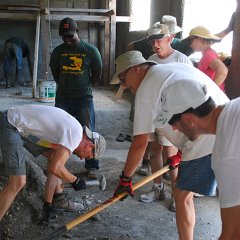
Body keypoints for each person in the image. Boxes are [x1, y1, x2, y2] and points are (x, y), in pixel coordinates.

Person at [111, 51, 229, 240]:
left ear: (136, 69)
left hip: (205, 141)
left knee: (182, 196)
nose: (124, 86)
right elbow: (193, 105)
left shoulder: (145, 91)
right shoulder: (172, 69)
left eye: (124, 79)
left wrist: (125, 179)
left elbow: (140, 143)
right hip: (224, 125)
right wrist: (181, 152)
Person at [155, 78, 240, 240]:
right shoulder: (234, 108)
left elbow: (234, 233)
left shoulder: (227, 153)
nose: (173, 128)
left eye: (173, 121)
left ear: (188, 119)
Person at [0, 104, 106, 223]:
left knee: (55, 157)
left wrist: (47, 204)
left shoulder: (71, 134)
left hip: (23, 129)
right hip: (11, 124)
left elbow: (54, 165)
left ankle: (50, 204)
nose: (82, 158)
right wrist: (75, 180)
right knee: (18, 182)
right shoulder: (75, 135)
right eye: (87, 156)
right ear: (89, 146)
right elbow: (56, 168)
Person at [139, 23, 193, 211]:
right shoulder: (152, 59)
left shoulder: (181, 59)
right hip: (154, 112)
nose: (155, 44)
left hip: (173, 115)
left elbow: (192, 87)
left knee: (171, 156)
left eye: (159, 39)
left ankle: (177, 195)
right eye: (152, 40)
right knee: (155, 150)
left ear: (170, 39)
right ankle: (158, 188)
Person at [49, 17, 103, 179]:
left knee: (88, 131)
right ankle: (57, 164)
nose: (67, 39)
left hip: (83, 98)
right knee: (58, 130)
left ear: (77, 32)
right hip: (63, 98)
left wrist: (84, 85)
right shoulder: (58, 51)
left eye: (70, 36)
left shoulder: (90, 50)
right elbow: (56, 73)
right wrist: (66, 86)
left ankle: (92, 165)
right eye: (64, 36)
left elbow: (97, 73)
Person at [188, 26, 228, 91]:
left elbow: (223, 71)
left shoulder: (208, 55)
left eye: (191, 41)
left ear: (200, 39)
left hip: (215, 99)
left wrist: (211, 91)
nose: (190, 45)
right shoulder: (208, 53)